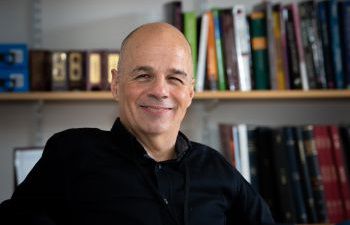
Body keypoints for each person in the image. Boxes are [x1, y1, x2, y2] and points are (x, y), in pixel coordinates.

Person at [0, 22, 274, 225]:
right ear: (115, 84)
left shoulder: (216, 168)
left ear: (190, 93)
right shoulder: (72, 153)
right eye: (143, 75)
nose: (160, 90)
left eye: (175, 79)